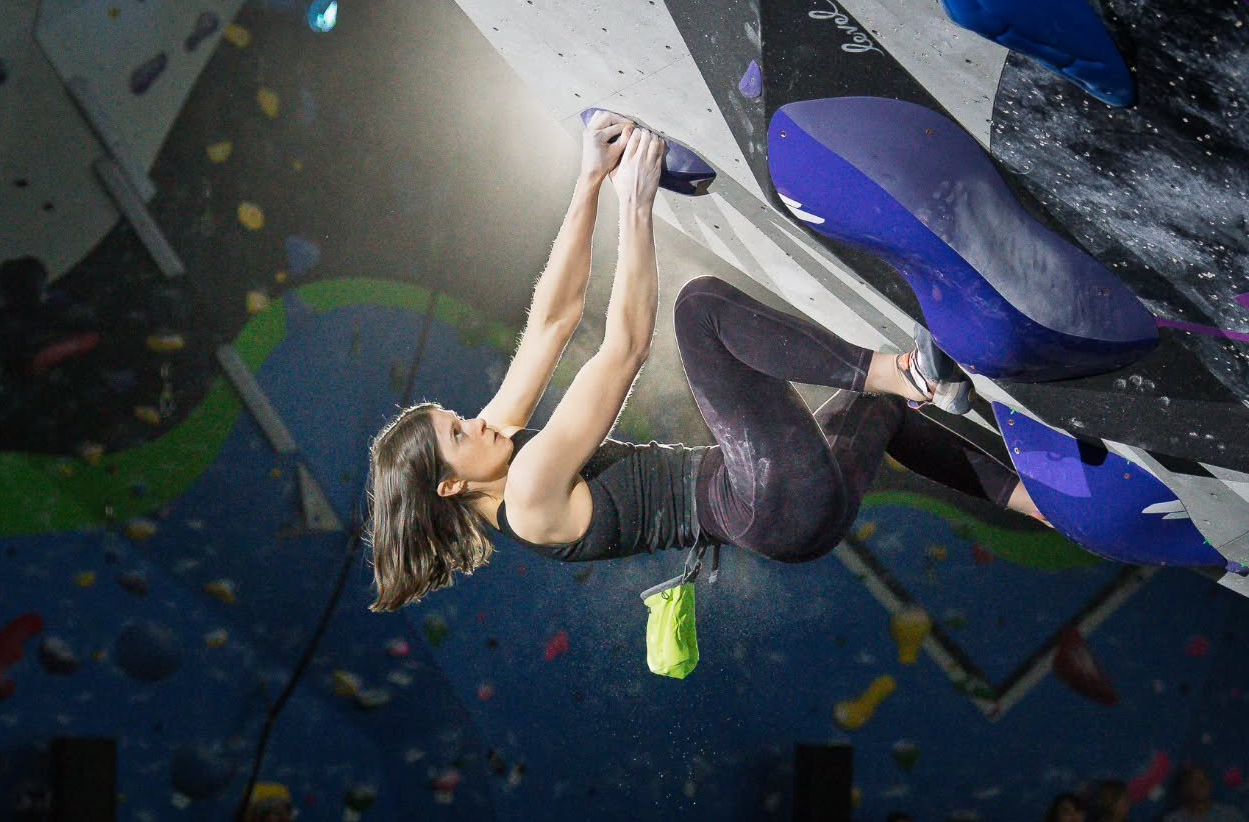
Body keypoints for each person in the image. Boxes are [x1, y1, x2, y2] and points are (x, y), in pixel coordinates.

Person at [365, 116, 1043, 622]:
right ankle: (901, 371)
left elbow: (553, 320)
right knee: (699, 311)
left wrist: (589, 181)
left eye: (458, 417)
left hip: (792, 513)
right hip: (766, 499)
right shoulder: (530, 494)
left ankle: (1041, 507)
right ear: (452, 487)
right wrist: (636, 202)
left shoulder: (504, 453)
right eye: (460, 433)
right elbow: (625, 348)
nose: (477, 422)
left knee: (884, 415)